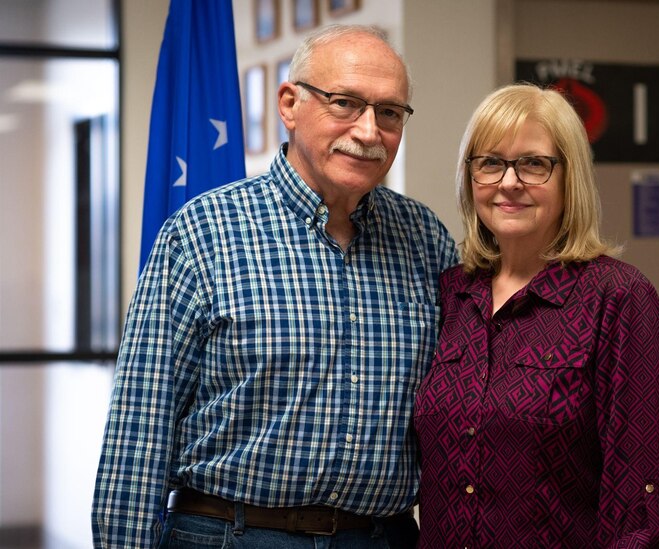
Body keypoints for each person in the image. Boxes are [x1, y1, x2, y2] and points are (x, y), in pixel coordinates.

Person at [93, 24, 457, 548]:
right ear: (289, 104)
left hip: (382, 537)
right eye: (345, 103)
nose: (369, 130)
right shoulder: (203, 232)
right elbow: (140, 430)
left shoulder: (425, 239)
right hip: (231, 533)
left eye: (390, 112)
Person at [414, 83, 659, 548]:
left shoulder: (617, 298)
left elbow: (641, 501)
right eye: (490, 163)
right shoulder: (450, 293)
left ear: (569, 177)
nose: (509, 182)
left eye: (534, 163)